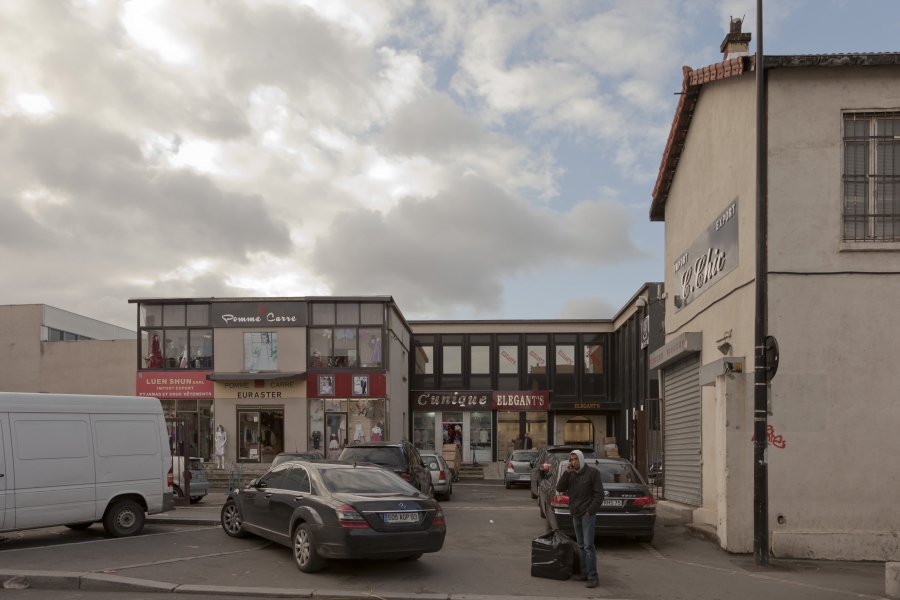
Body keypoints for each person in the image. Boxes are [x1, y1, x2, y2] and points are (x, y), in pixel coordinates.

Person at [556, 450, 604, 588]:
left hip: (587, 514)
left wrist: (590, 511)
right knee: (581, 545)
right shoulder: (571, 474)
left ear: (581, 459)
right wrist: (566, 473)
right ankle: (584, 572)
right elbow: (559, 487)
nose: (574, 462)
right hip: (575, 513)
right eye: (572, 459)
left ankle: (593, 576)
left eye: (576, 459)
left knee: (589, 546)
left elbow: (599, 494)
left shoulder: (592, 473)